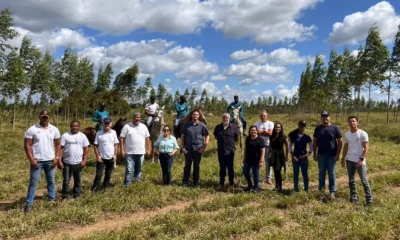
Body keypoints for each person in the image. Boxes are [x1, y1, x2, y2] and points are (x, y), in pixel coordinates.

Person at [24, 110, 61, 214]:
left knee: (51, 181)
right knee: (33, 183)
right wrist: (32, 160)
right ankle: (29, 203)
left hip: (50, 161)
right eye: (42, 117)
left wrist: (57, 158)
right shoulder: (32, 129)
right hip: (37, 162)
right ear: (39, 117)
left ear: (49, 117)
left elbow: (58, 145)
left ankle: (51, 200)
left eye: (46, 117)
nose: (44, 119)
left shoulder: (54, 129)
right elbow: (27, 146)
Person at [341, 116, 373, 205]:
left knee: (364, 180)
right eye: (350, 121)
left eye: (353, 121)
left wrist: (361, 159)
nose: (352, 123)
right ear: (348, 123)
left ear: (357, 123)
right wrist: (343, 158)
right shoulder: (347, 134)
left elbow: (366, 147)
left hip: (359, 160)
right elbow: (346, 147)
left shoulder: (362, 133)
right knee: (351, 180)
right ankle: (353, 196)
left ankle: (369, 200)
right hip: (349, 160)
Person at [313, 111, 343, 199]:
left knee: (332, 174)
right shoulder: (318, 128)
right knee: (321, 174)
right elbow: (315, 142)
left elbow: (340, 142)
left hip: (332, 155)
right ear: (321, 118)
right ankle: (321, 192)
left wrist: (337, 154)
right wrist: (315, 153)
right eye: (323, 117)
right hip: (321, 155)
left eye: (326, 117)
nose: (324, 118)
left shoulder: (335, 128)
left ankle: (332, 192)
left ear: (330, 117)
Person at [59, 120, 90, 199]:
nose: (74, 127)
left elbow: (86, 149)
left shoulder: (82, 136)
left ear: (79, 127)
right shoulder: (65, 135)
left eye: (76, 126)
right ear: (70, 126)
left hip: (78, 163)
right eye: (73, 126)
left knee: (78, 180)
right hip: (67, 163)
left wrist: (84, 160)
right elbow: (60, 149)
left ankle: (76, 194)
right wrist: (59, 161)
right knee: (66, 180)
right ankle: (65, 195)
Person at [120, 112, 151, 186]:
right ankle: (127, 184)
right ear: (133, 118)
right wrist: (122, 150)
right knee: (129, 169)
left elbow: (147, 138)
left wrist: (148, 149)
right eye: (136, 117)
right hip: (129, 152)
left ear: (141, 118)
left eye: (139, 117)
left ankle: (137, 183)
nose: (137, 119)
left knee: (139, 169)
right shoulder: (127, 126)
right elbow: (122, 138)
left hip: (141, 152)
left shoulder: (144, 126)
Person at [181, 109, 210, 186]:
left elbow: (207, 136)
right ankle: (185, 181)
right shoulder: (187, 125)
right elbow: (183, 136)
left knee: (196, 166)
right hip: (188, 149)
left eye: (196, 114)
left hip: (198, 149)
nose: (195, 116)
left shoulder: (202, 125)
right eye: (193, 114)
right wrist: (182, 147)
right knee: (187, 165)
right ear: (191, 116)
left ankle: (195, 182)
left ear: (199, 116)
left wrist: (204, 147)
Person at [91, 117, 119, 192]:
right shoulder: (99, 133)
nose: (107, 125)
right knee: (99, 174)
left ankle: (106, 185)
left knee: (108, 173)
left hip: (111, 157)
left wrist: (115, 154)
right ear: (103, 124)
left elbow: (116, 144)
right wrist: (98, 156)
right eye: (105, 123)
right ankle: (95, 188)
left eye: (108, 123)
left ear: (111, 124)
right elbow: (95, 145)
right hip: (102, 157)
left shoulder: (114, 132)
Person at [213, 113, 239, 191]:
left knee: (230, 168)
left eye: (227, 117)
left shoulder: (234, 127)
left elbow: (236, 137)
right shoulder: (218, 127)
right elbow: (215, 136)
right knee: (222, 168)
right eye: (224, 117)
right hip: (221, 151)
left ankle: (231, 184)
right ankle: (221, 184)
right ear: (222, 118)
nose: (225, 119)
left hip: (230, 151)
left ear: (229, 118)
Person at [288, 120, 313, 192]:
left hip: (304, 158)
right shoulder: (294, 136)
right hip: (295, 158)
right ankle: (296, 190)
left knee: (305, 174)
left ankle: (306, 189)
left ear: (305, 127)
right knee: (296, 174)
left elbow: (311, 148)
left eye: (303, 126)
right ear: (298, 126)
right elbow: (290, 147)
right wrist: (293, 156)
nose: (301, 127)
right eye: (300, 125)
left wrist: (307, 155)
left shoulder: (307, 137)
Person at [242, 125, 265, 192]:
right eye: (251, 130)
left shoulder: (260, 139)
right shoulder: (248, 138)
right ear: (249, 131)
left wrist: (261, 161)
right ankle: (250, 185)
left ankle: (256, 187)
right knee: (245, 172)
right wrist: (244, 158)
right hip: (248, 160)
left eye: (254, 130)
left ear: (257, 131)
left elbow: (263, 150)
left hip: (256, 160)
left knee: (255, 174)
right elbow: (245, 148)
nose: (253, 131)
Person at [254, 110, 274, 185]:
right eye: (262, 115)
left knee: (268, 161)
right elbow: (255, 133)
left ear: (267, 116)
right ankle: (257, 177)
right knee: (257, 161)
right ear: (260, 116)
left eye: (264, 115)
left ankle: (268, 178)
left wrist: (260, 132)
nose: (263, 117)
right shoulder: (256, 123)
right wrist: (264, 131)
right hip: (258, 145)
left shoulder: (270, 123)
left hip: (268, 145)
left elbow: (270, 133)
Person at [268, 122, 289, 192]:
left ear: (281, 128)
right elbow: (270, 146)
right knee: (275, 171)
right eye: (276, 127)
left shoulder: (283, 136)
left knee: (278, 171)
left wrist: (286, 156)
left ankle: (280, 187)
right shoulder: (271, 136)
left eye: (279, 127)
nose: (277, 128)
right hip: (274, 155)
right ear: (274, 128)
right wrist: (269, 154)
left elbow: (287, 146)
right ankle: (276, 186)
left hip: (280, 155)